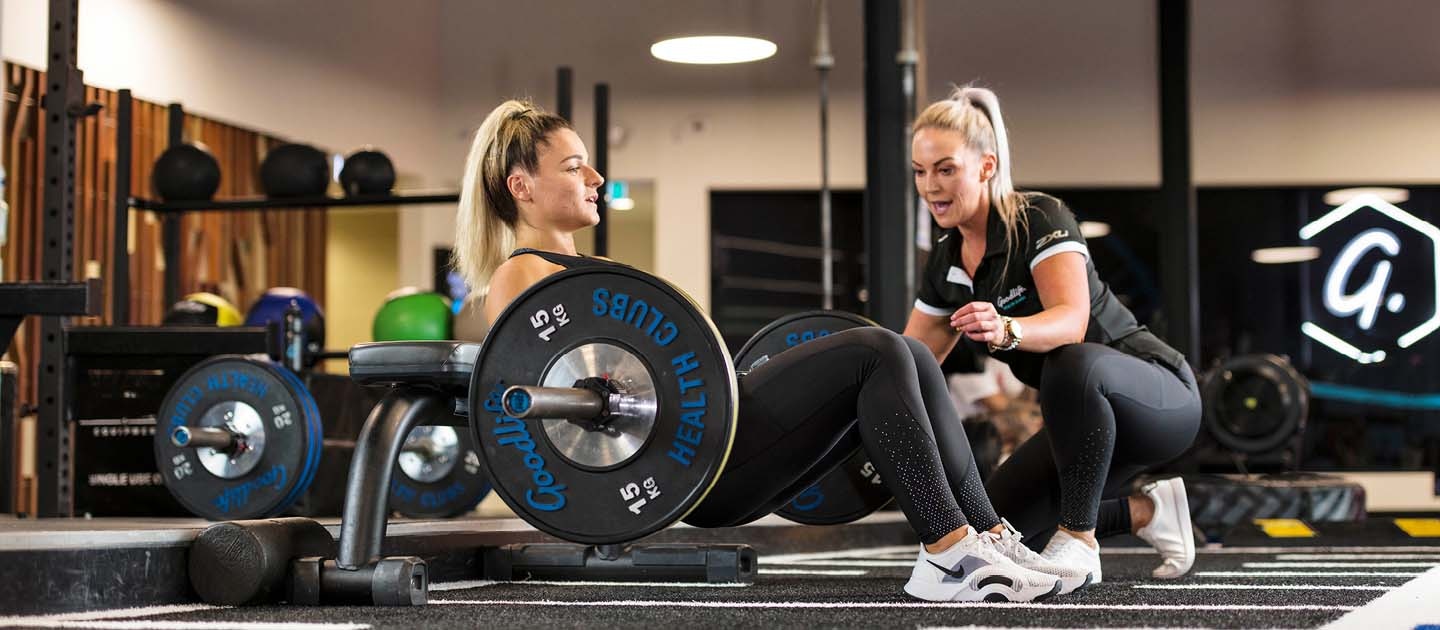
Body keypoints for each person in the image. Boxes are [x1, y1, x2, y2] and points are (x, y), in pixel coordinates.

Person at [454, 100, 1093, 603]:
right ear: (521, 186)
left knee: (912, 355)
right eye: (573, 167)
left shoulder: (587, 272)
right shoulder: (520, 275)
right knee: (877, 350)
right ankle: (947, 550)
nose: (595, 177)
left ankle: (986, 536)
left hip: (707, 438)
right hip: (684, 466)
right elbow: (543, 411)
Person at [902, 85, 1202, 581]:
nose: (930, 185)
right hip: (1083, 428)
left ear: (986, 167)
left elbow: (1071, 322)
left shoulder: (1038, 217)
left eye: (945, 169)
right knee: (994, 532)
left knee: (1071, 357)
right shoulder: (947, 259)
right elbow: (910, 363)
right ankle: (1149, 512)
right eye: (920, 171)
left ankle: (1081, 540)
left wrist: (1005, 328)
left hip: (1157, 399)